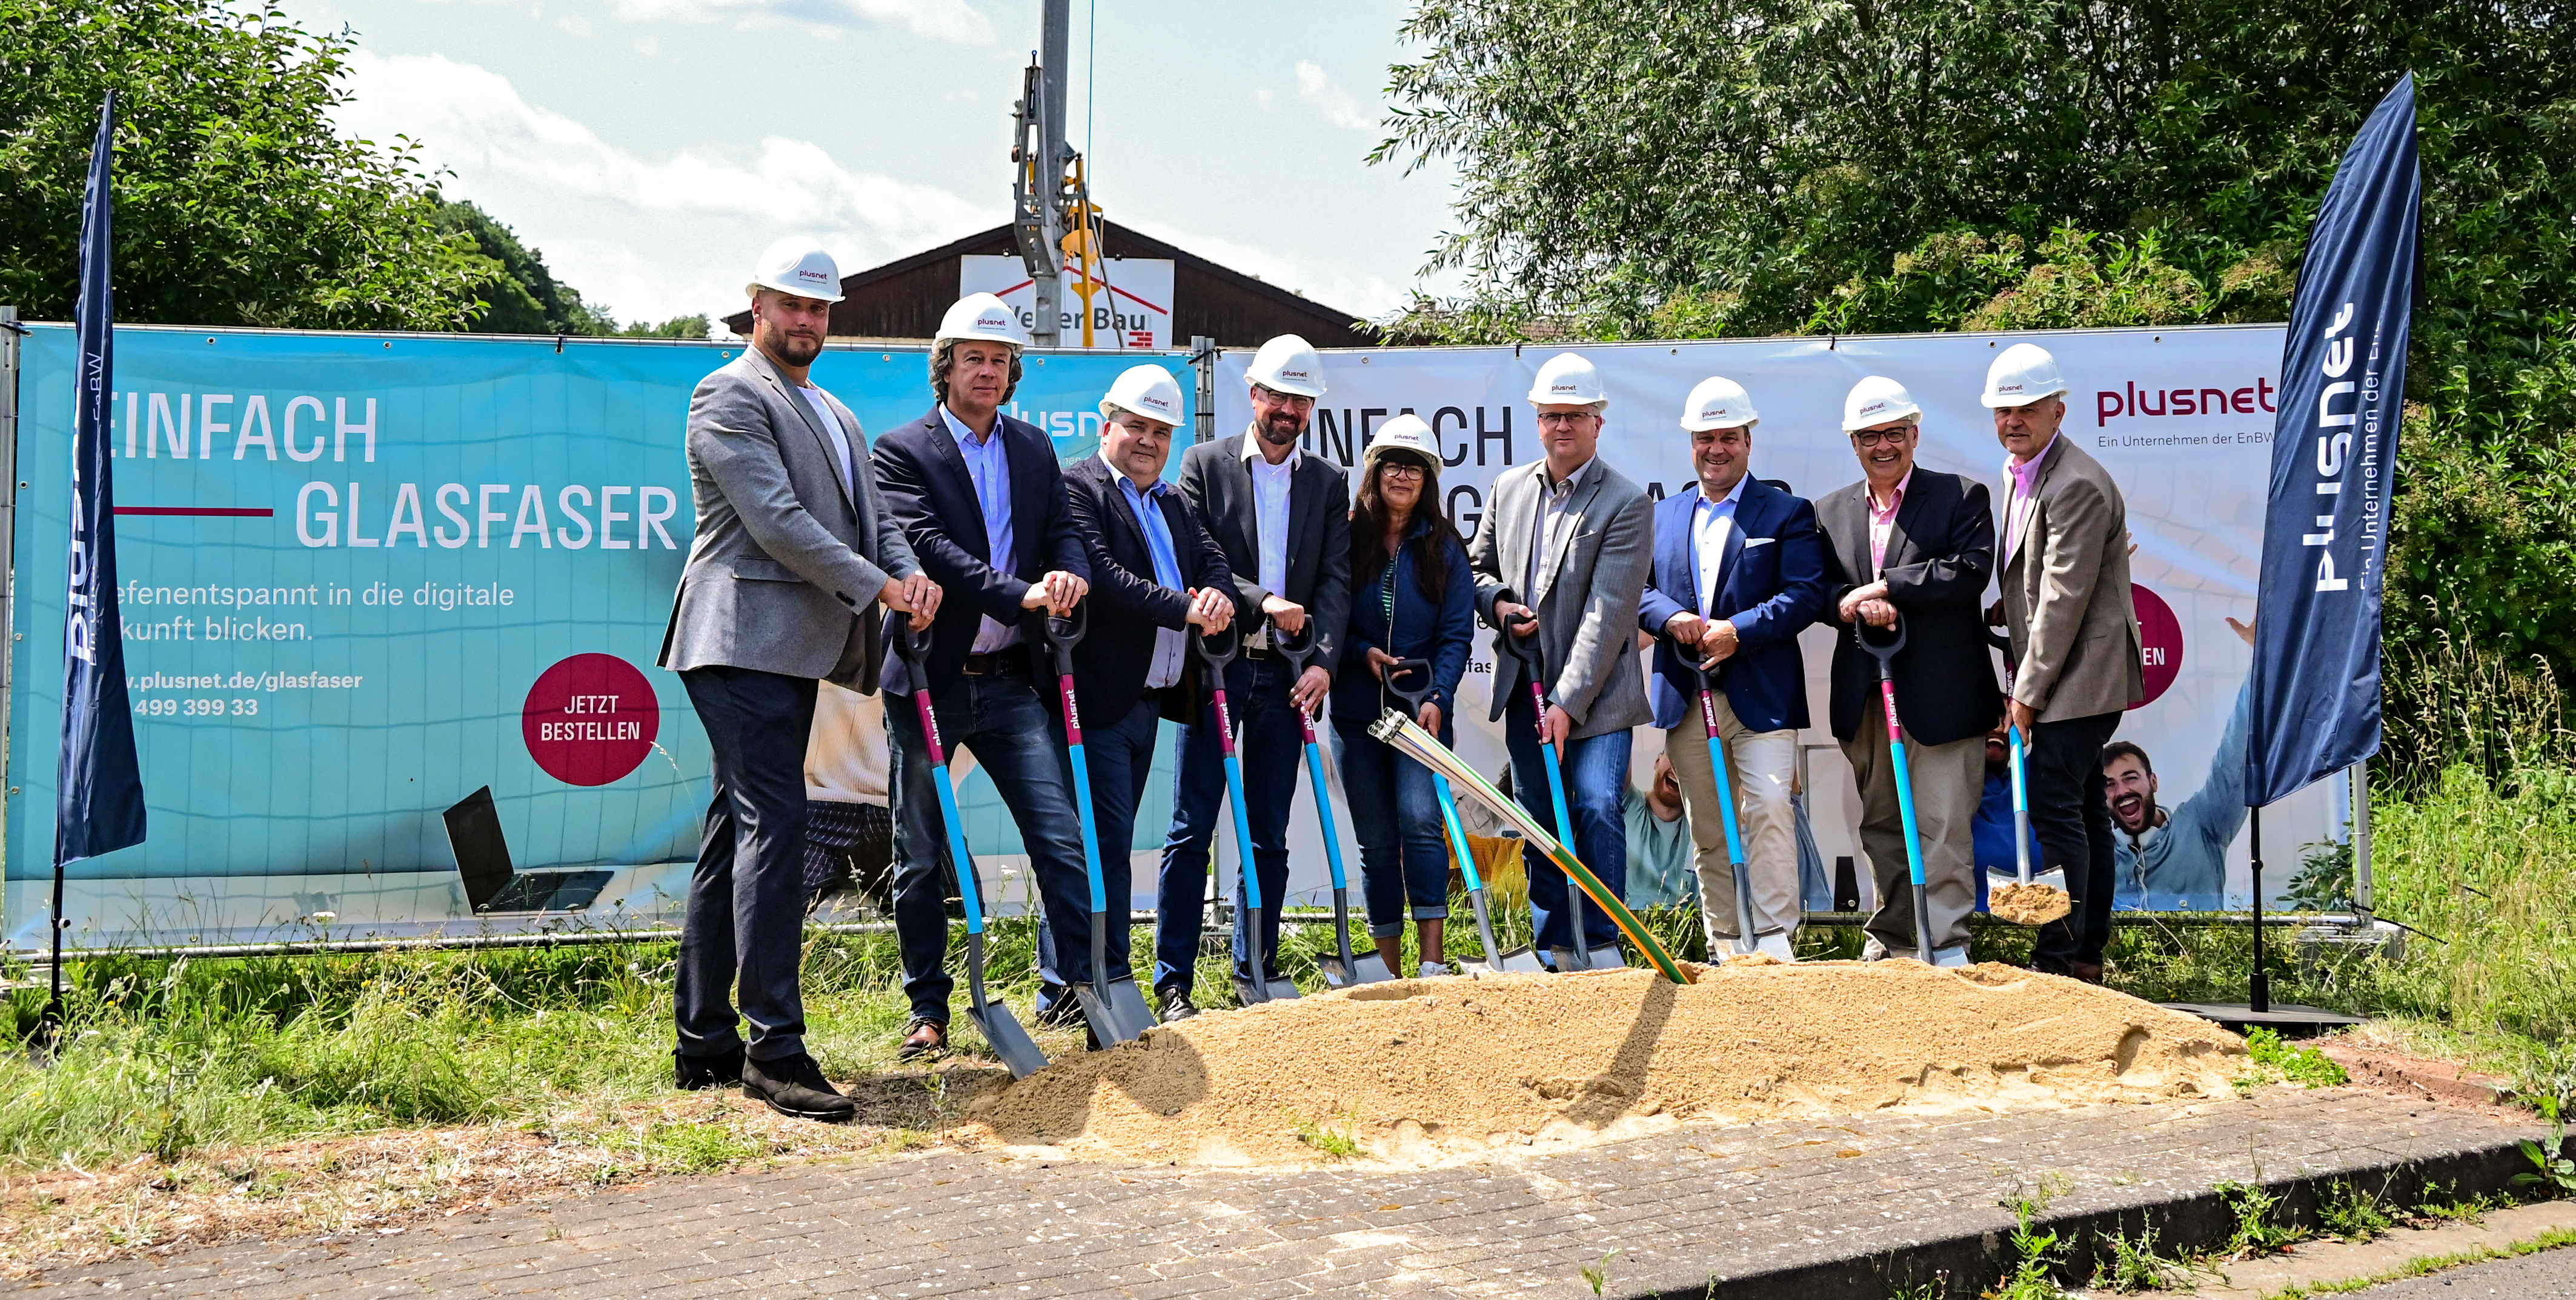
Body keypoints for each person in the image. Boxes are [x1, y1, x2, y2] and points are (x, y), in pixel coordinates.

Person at [659, 237, 940, 1121]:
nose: (806, 322)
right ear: (757, 305)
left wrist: (911, 576)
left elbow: (876, 517)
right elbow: (776, 522)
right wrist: (879, 585)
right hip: (739, 640)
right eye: (791, 306)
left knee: (734, 833)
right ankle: (774, 1051)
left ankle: (705, 1038)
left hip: (788, 649)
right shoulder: (728, 394)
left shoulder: (835, 411)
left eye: (819, 309)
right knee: (775, 828)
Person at [872, 293, 1091, 1056]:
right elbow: (925, 544)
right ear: (946, 368)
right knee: (921, 852)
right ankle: (928, 1011)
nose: (988, 372)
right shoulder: (902, 450)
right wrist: (1016, 592)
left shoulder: (1033, 448)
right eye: (974, 358)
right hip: (929, 677)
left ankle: (1083, 990)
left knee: (1059, 837)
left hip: (1009, 681)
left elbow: (1060, 527)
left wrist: (1066, 574)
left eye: (1000, 360)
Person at [1159, 335, 1351, 1015]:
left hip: (1288, 676)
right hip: (1218, 667)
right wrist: (1260, 602)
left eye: (1300, 401)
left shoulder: (1327, 482)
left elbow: (1334, 580)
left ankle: (1256, 975)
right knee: (1192, 824)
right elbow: (1194, 555)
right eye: (1278, 396)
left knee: (1268, 833)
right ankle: (1172, 981)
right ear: (1254, 396)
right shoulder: (1204, 465)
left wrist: (1324, 659)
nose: (1288, 411)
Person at [1054, 365, 1235, 1019]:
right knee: (1103, 843)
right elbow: (1102, 577)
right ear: (1107, 425)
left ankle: (1067, 986)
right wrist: (1184, 610)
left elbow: (1212, 561)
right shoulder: (1078, 490)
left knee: (1108, 839)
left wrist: (1214, 591)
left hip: (1150, 699)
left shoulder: (1171, 502)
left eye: (1161, 432)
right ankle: (1095, 981)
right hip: (1100, 694)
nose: (1148, 441)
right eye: (1136, 426)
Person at [1469, 351, 1655, 967]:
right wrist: (1497, 606)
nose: (1562, 427)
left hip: (1596, 698)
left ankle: (1604, 942)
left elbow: (1607, 615)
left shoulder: (1625, 503)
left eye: (1575, 416)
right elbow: (1477, 569)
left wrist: (1567, 703)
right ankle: (1555, 947)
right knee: (1538, 820)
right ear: (1537, 422)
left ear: (1598, 422)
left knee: (1597, 805)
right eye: (1551, 416)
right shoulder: (1508, 489)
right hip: (1524, 687)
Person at [1637, 376, 1827, 962]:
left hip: (1762, 695)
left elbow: (1806, 593)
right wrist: (1671, 619)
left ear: (1748, 440)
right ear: (1691, 443)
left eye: (1727, 437)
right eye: (1704, 438)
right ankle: (1728, 943)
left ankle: (1773, 939)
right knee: (1709, 826)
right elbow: (1637, 592)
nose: (1715, 448)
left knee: (1769, 806)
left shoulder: (1787, 511)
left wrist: (1736, 631)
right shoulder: (1661, 515)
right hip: (1688, 698)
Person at [1814, 375, 2001, 967]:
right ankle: (1892, 942)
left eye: (1894, 432)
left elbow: (1968, 571)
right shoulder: (1828, 512)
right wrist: (1849, 602)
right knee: (1882, 826)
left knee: (1942, 826)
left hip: (1943, 697)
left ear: (1914, 434)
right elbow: (1816, 591)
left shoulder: (1960, 496)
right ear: (1853, 442)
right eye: (1869, 435)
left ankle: (1945, 945)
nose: (1883, 445)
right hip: (1865, 694)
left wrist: (1887, 587)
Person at [1983, 342, 2143, 982]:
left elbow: (2062, 598)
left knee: (2055, 808)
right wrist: (2005, 611)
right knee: (2080, 809)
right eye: (2002, 410)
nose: (2012, 420)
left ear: (2058, 409)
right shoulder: (2018, 471)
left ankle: (2056, 961)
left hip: (2080, 677)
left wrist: (2024, 695)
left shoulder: (2074, 483)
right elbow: (2035, 578)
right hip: (2066, 671)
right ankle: (2084, 954)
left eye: (2025, 408)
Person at [1329, 414, 1473, 978]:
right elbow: (1332, 616)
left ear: (1429, 478)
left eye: (1414, 466)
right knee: (1377, 841)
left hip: (1422, 712)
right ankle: (1386, 968)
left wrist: (1439, 694)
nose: (1402, 475)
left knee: (1419, 821)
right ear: (1374, 470)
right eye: (1392, 463)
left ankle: (1432, 961)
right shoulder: (1346, 537)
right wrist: (1361, 650)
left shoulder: (1445, 546)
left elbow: (1457, 633)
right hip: (1358, 711)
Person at [2107, 619, 2256, 910]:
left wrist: (2262, 660)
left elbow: (2237, 759)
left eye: (2130, 777)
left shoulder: (2201, 825)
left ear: (2154, 781)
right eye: (2109, 784)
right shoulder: (2093, 851)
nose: (2122, 790)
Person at [1622, 755, 1695, 910]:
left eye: (1689, 765)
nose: (1678, 768)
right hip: (1628, 924)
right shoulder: (1627, 804)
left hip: (1685, 927)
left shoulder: (1702, 825)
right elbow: (1616, 759)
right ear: (1658, 761)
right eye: (1674, 756)